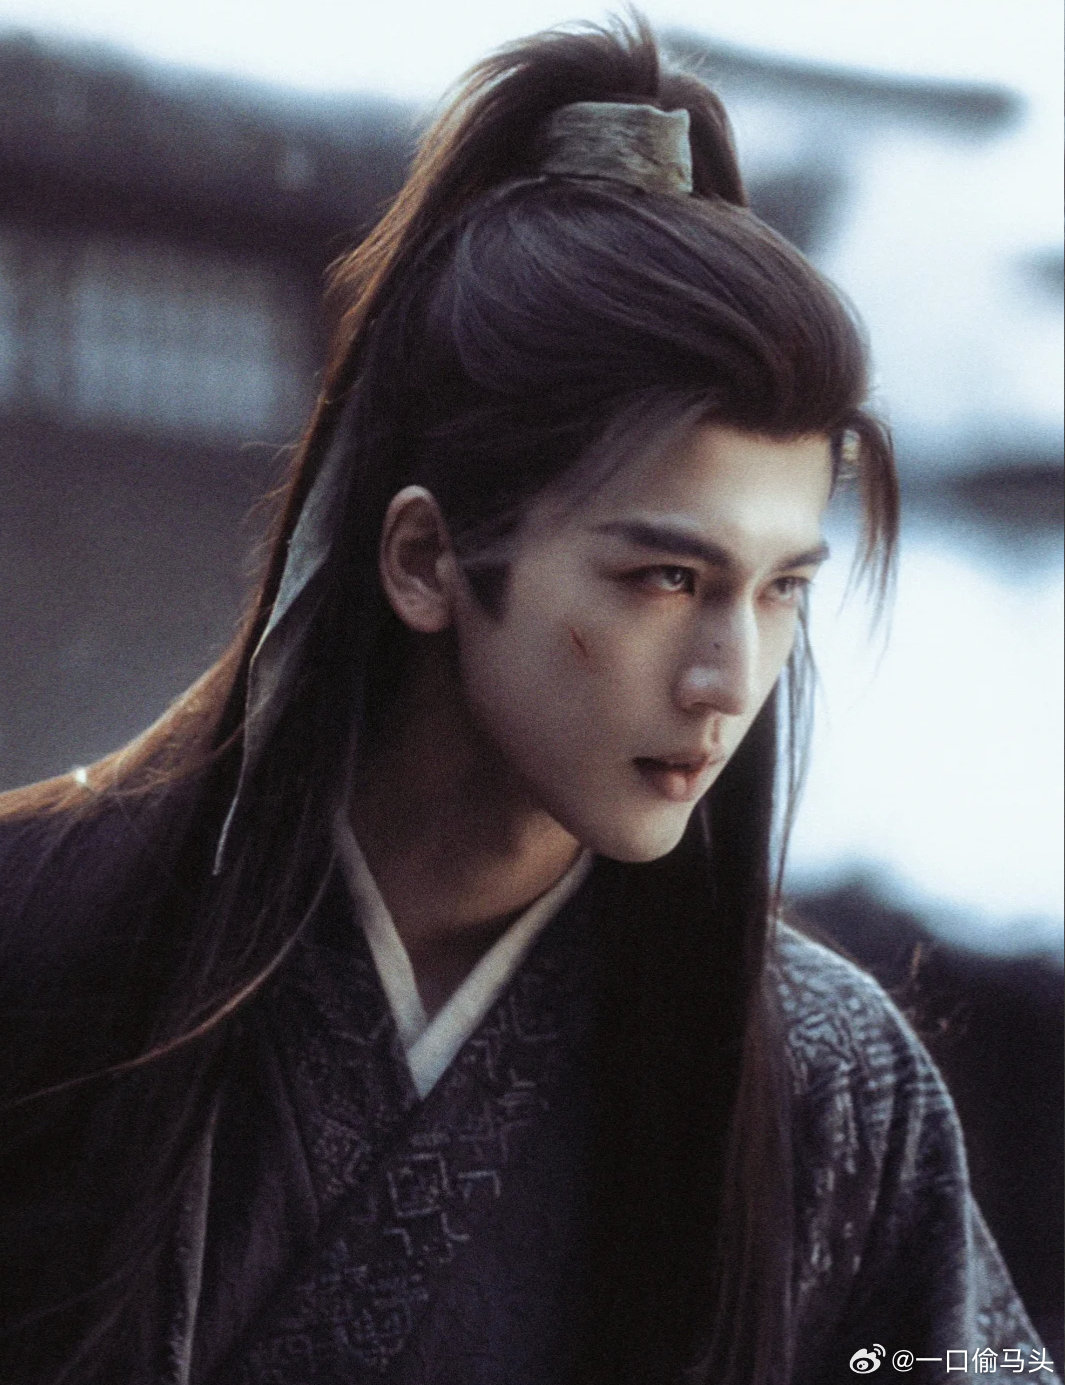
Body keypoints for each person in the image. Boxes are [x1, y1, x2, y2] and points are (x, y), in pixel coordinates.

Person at [0, 17, 1054, 1385]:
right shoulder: (44, 938)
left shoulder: (828, 1084)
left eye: (781, 588)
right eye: (664, 577)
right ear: (426, 559)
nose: (729, 677)